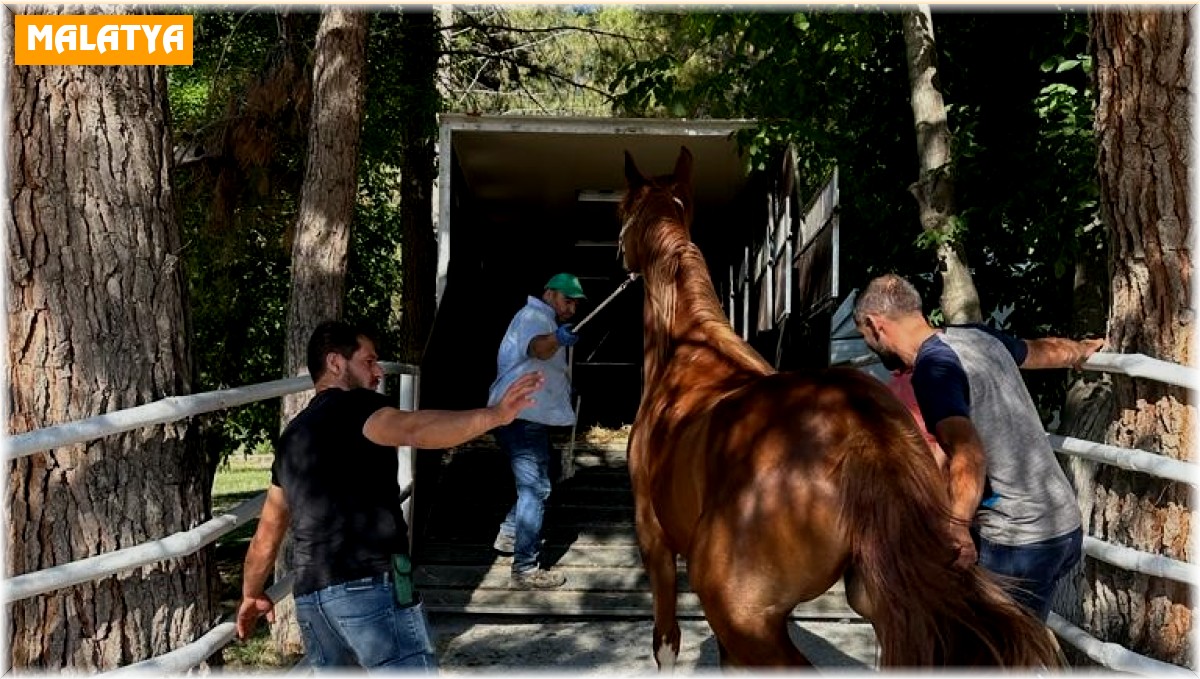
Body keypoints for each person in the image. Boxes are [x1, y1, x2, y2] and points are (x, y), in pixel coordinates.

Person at [235, 320, 544, 670]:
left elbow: (267, 533)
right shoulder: (359, 407)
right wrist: (494, 416)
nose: (378, 371)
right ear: (336, 363)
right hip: (369, 591)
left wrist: (250, 594)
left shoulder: (291, 437)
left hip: (313, 600)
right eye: (368, 361)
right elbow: (416, 428)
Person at [853, 273, 1104, 621]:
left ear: (875, 324)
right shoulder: (977, 337)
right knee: (1016, 648)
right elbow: (1038, 352)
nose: (869, 344)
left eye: (865, 335)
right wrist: (1079, 350)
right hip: (1062, 527)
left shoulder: (933, 369)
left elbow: (968, 453)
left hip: (1015, 543)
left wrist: (956, 526)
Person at [487, 273, 587, 589]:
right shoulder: (534, 315)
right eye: (566, 300)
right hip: (521, 415)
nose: (571, 308)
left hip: (526, 416)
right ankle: (525, 569)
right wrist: (558, 339)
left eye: (574, 303)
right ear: (548, 293)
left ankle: (510, 533)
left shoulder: (540, 317)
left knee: (544, 477)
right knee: (534, 489)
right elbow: (537, 349)